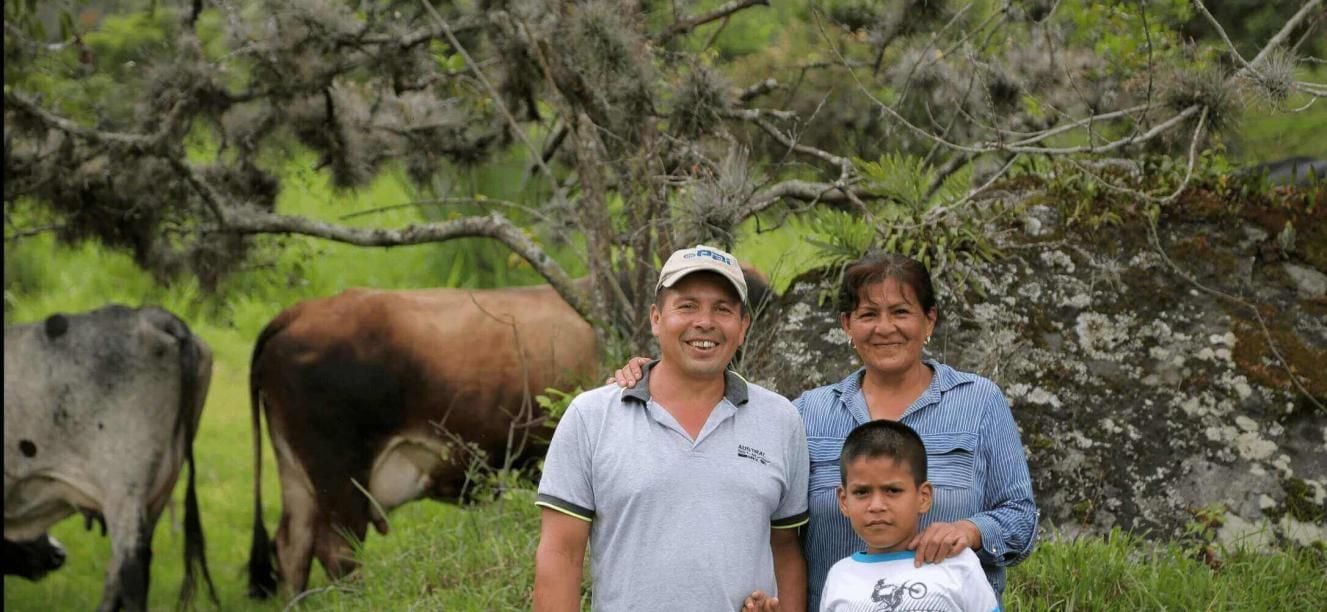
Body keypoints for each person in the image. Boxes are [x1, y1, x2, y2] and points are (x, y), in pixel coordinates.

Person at [614, 252, 1038, 609]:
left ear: (929, 321)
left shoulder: (978, 402)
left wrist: (971, 530)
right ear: (847, 326)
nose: (885, 327)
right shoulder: (807, 413)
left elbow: (1021, 517)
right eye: (868, 314)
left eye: (901, 312)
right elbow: (769, 520)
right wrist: (659, 373)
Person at [533, 245, 810, 612]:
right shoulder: (591, 417)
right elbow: (560, 554)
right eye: (687, 306)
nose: (705, 321)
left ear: (743, 327)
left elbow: (786, 549)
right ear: (656, 318)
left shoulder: (780, 419)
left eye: (722, 309)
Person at [819, 419, 998, 611]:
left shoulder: (958, 563)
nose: (877, 506)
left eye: (892, 490)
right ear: (844, 501)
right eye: (862, 492)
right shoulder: (839, 576)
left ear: (923, 497)